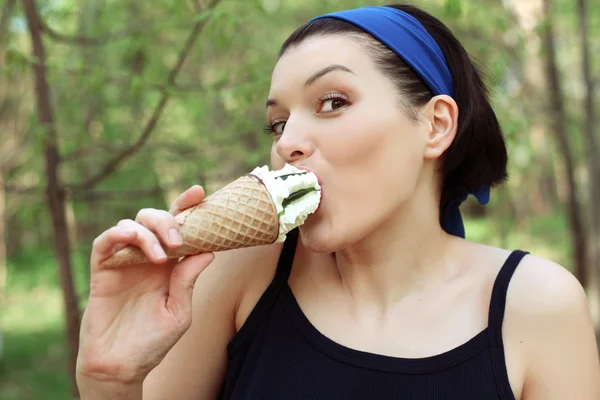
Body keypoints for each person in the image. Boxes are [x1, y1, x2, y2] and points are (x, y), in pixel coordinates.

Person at [76, 4, 600, 399]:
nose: (286, 143)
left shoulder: (536, 307)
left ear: (435, 125)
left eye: (332, 102)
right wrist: (111, 380)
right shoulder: (237, 275)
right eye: (278, 123)